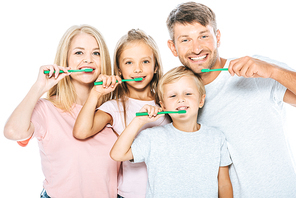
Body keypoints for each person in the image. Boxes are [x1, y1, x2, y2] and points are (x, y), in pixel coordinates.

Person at [166, 2, 296, 197]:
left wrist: (273, 71)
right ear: (173, 47)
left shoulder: (256, 69)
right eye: (185, 40)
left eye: (203, 36)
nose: (197, 48)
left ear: (217, 37)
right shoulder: (178, 99)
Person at [4, 25, 120, 198]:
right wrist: (39, 86)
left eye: (96, 53)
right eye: (79, 53)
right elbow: (13, 132)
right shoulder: (47, 109)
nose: (88, 60)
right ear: (65, 60)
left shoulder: (112, 110)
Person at [73, 29, 170, 198]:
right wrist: (95, 93)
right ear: (119, 70)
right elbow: (81, 132)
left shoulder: (169, 101)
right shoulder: (114, 107)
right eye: (129, 63)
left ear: (156, 66)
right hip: (130, 194)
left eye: (145, 61)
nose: (138, 69)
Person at [110, 66, 233, 197]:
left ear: (201, 100)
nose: (181, 99)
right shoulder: (153, 137)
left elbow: (223, 183)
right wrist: (138, 121)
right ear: (163, 106)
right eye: (173, 95)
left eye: (188, 93)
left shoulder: (216, 138)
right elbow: (117, 154)